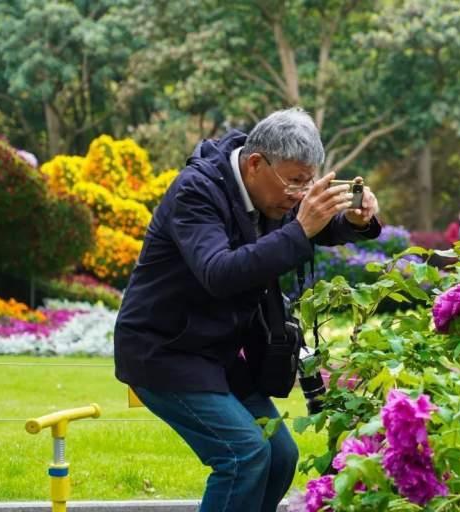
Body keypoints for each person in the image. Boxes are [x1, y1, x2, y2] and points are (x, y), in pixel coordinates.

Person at [114, 108, 381, 512]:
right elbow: (218, 272)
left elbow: (312, 225)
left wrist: (353, 221)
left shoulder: (270, 190)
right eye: (295, 181)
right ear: (256, 163)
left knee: (281, 456)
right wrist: (300, 228)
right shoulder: (197, 191)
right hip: (163, 350)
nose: (300, 194)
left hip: (217, 353)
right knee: (243, 455)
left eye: (309, 182)